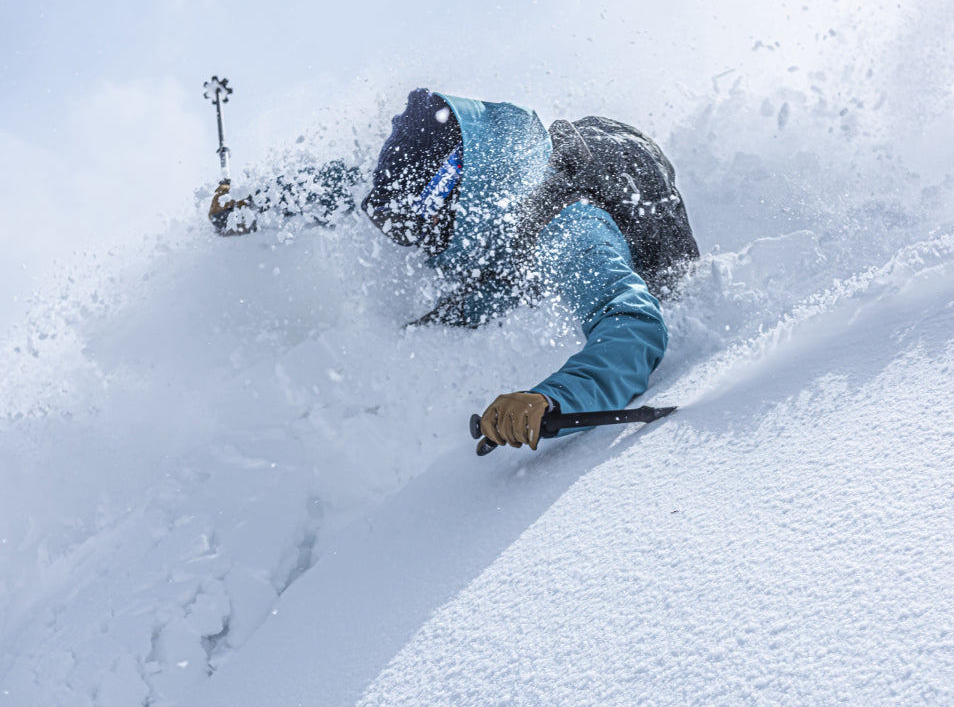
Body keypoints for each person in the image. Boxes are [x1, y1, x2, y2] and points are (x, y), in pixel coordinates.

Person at [211, 88, 699, 452]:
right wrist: (250, 209)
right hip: (510, 248)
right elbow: (342, 184)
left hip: (639, 252)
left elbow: (633, 323)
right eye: (409, 226)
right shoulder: (480, 185)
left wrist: (551, 400)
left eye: (428, 216)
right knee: (451, 313)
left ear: (464, 178)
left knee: (481, 297)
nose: (421, 236)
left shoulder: (567, 229)